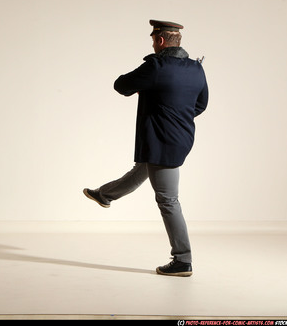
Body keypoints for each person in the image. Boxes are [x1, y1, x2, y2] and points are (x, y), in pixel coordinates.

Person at [83, 19, 209, 277]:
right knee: (142, 168)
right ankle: (105, 195)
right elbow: (201, 105)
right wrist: (174, 112)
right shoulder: (196, 69)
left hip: (162, 141)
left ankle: (183, 260)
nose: (152, 44)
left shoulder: (156, 66)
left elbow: (121, 85)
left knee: (168, 200)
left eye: (153, 40)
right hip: (181, 139)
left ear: (160, 41)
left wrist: (149, 93)